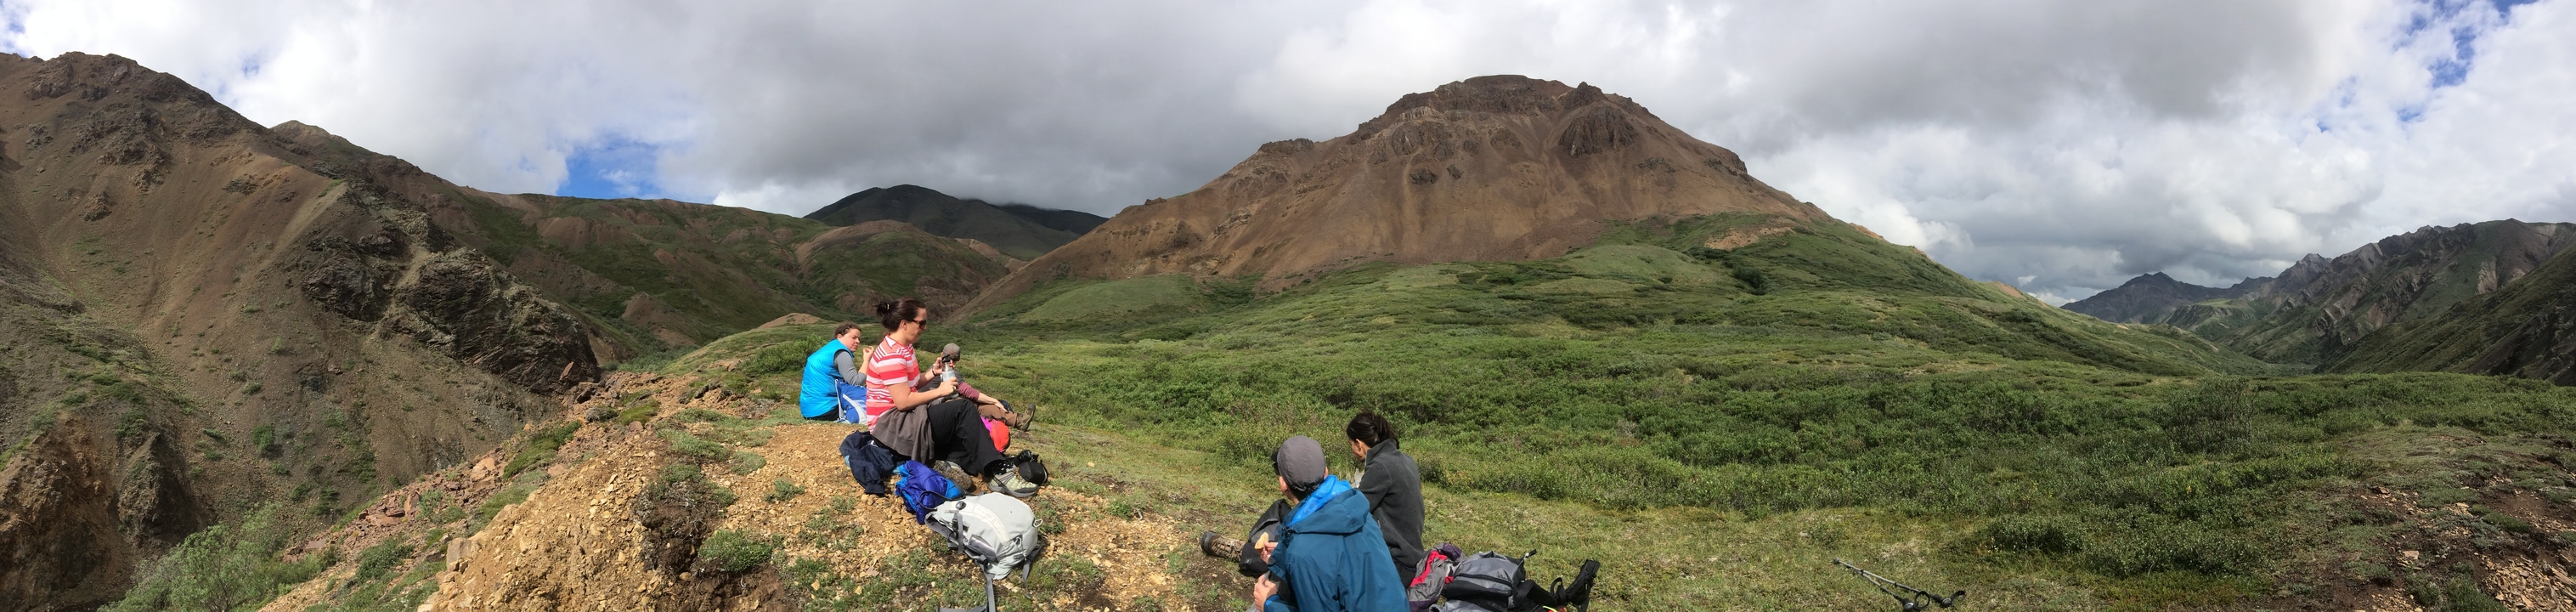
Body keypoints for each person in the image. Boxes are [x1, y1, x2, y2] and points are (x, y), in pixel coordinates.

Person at [863, 298, 1034, 494]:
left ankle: (984, 464)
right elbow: (902, 402)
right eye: (922, 323)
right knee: (962, 408)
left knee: (955, 414)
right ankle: (997, 471)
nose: (924, 328)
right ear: (904, 324)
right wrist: (940, 391)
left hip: (903, 417)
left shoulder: (904, 348)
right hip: (890, 425)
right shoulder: (891, 356)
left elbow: (912, 384)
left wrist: (933, 372)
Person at [1249, 435, 1407, 612]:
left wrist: (1270, 604)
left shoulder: (1303, 552)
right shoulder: (1359, 513)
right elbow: (1336, 561)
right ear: (1326, 472)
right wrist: (1286, 554)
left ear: (1283, 484)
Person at [1347, 411, 1424, 583]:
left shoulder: (1380, 466)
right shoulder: (1405, 459)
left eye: (1351, 444)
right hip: (1413, 552)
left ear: (1359, 444)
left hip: (1397, 562)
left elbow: (1352, 511)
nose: (1352, 450)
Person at [798, 321, 873, 422]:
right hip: (827, 410)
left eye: (859, 338)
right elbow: (856, 382)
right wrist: (866, 361)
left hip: (809, 410)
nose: (857, 341)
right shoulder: (841, 353)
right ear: (839, 336)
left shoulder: (829, 348)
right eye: (853, 337)